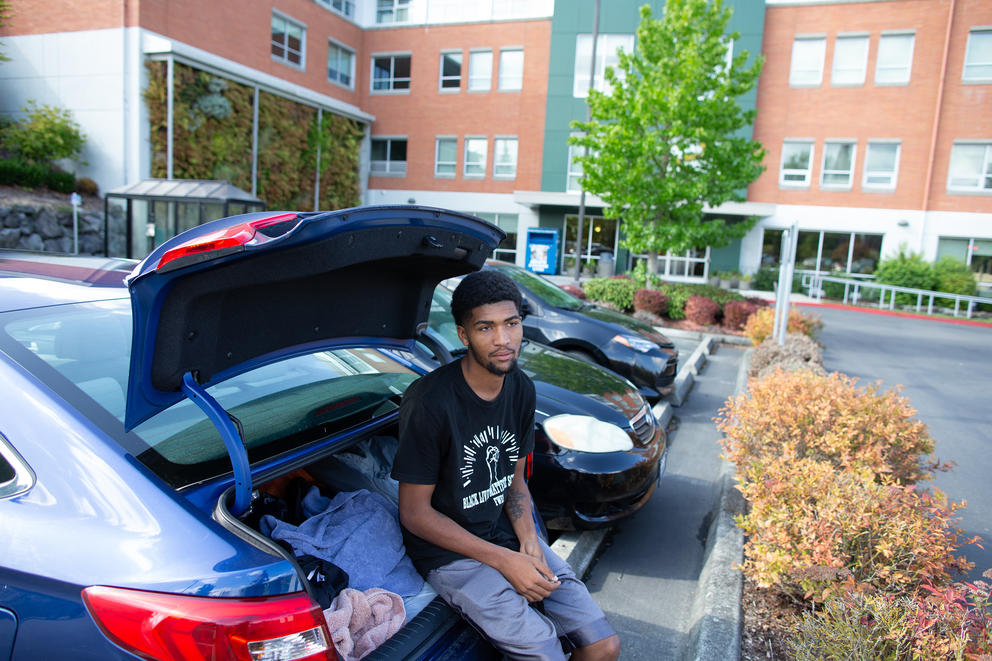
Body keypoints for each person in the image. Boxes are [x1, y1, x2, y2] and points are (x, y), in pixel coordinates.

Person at [391, 270, 620, 661]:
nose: (503, 340)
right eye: (486, 328)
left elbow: (514, 479)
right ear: (464, 335)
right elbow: (414, 514)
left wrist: (530, 541)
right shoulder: (429, 403)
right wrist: (505, 561)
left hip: (504, 534)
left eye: (511, 324)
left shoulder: (520, 387)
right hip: (450, 555)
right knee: (547, 652)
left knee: (603, 645)